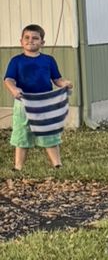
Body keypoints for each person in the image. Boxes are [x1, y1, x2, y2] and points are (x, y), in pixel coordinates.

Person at [5, 24, 70, 174]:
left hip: (45, 102)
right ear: (21, 41)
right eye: (27, 38)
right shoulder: (16, 61)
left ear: (42, 42)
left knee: (49, 133)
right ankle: (18, 166)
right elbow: (8, 79)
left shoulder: (48, 60)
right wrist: (14, 89)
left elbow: (57, 79)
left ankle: (57, 164)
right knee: (22, 133)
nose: (31, 41)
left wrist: (65, 83)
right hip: (23, 102)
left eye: (35, 38)